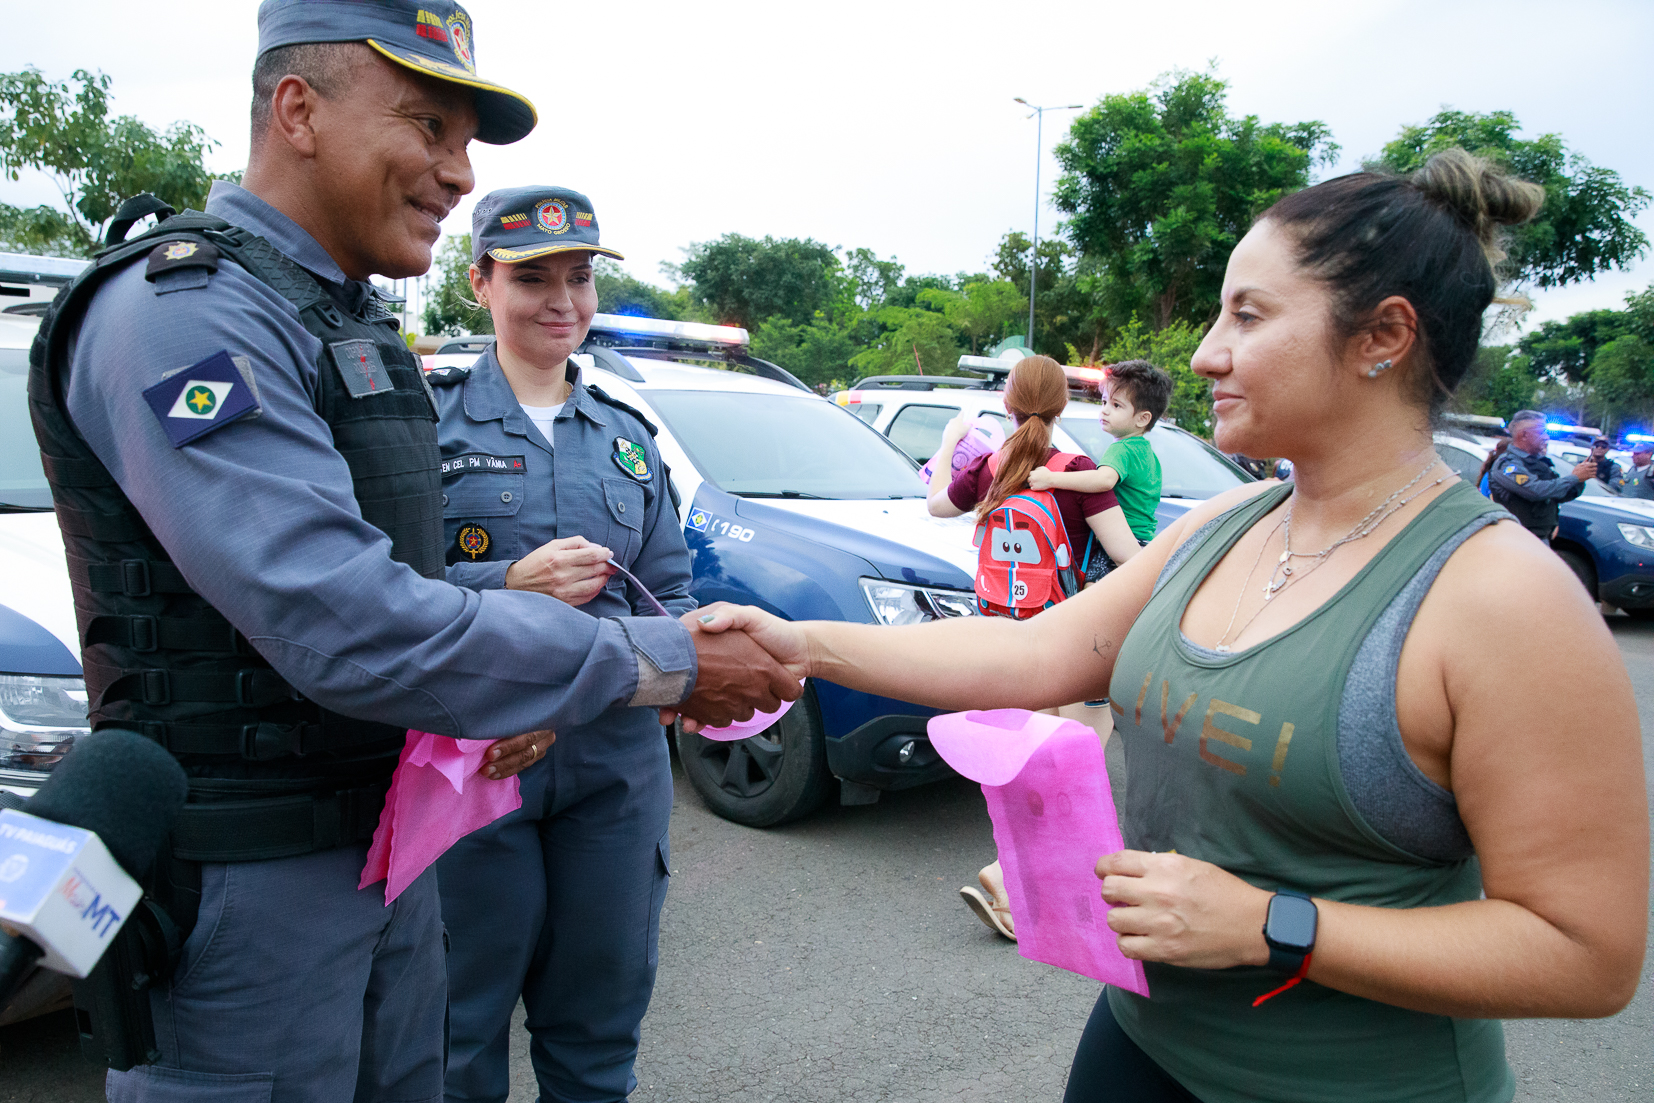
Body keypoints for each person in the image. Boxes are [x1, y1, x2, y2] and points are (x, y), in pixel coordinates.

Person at [687, 149, 1648, 1102]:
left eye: (1250, 315)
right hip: (1141, 1044)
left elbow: (1584, 954)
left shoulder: (1501, 597)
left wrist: (1277, 924)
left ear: (1382, 335)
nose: (1204, 354)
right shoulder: (1219, 527)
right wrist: (802, 643)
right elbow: (1033, 650)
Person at [28, 4, 795, 1099]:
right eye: (426, 126)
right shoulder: (186, 317)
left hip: (393, 841)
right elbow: (347, 619)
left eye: (464, 143)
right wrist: (663, 661)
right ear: (298, 109)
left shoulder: (345, 327)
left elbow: (424, 592)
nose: (453, 171)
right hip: (252, 882)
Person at [430, 186, 689, 1103]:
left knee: (597, 1033)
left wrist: (577, 701)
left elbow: (676, 606)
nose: (562, 300)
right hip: (475, 766)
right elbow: (382, 595)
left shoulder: (629, 438)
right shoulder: (428, 427)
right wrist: (503, 581)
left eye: (577, 277)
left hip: (613, 770)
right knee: (455, 1031)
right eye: (532, 277)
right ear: (479, 285)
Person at [926, 356, 1137, 939]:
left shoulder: (995, 465)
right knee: (1075, 769)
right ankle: (1007, 877)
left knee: (1035, 767)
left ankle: (1033, 890)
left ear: (1009, 402)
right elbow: (1126, 557)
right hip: (1074, 643)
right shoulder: (1074, 470)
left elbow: (938, 504)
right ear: (1062, 404)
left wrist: (950, 444)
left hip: (1006, 639)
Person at [1029, 359, 1172, 578]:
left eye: (1116, 405)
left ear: (1143, 418)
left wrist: (1051, 479)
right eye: (1104, 402)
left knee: (1089, 602)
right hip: (1143, 542)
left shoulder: (1121, 450)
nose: (1104, 410)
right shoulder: (1147, 454)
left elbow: (1103, 480)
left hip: (1118, 546)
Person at [1487, 410, 1592, 540]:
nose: (1546, 437)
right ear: (1524, 435)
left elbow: (1556, 493)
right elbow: (1535, 490)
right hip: (1515, 539)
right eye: (1541, 432)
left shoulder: (1540, 463)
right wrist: (1574, 477)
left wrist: (1580, 479)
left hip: (1539, 537)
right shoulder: (1508, 465)